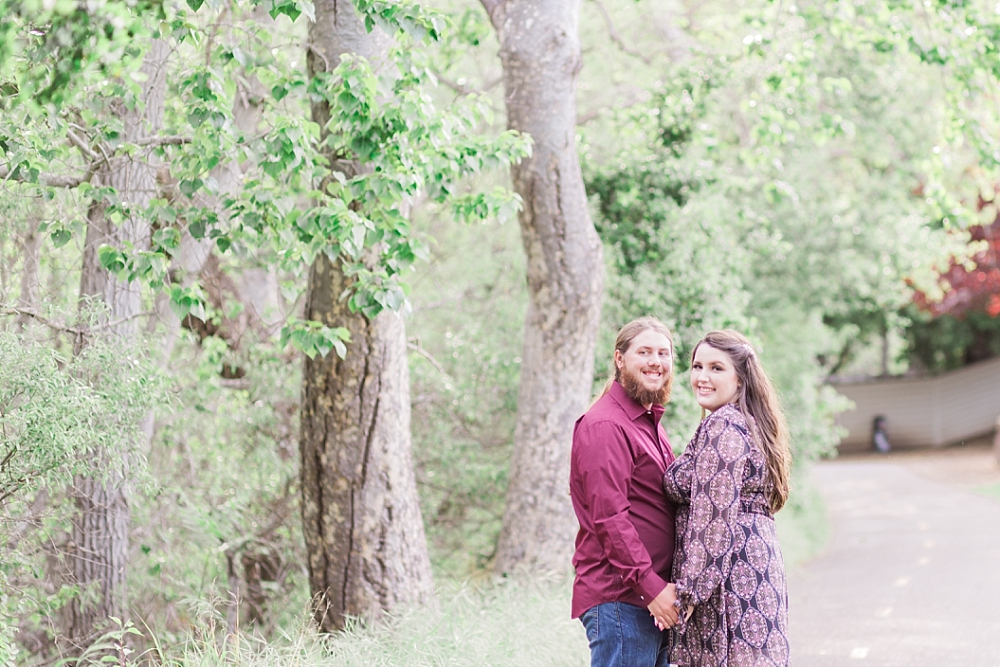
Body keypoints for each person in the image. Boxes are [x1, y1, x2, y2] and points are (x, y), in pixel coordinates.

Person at [662, 330, 792, 667]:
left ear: (740, 379)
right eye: (697, 366)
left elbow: (713, 521)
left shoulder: (722, 426)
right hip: (757, 573)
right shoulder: (749, 424)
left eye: (716, 368)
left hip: (730, 586)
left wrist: (688, 594)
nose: (702, 377)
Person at [570, 317, 682, 667]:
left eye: (663, 353)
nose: (656, 361)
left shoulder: (647, 423)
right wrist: (652, 588)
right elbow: (609, 518)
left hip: (649, 599)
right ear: (620, 359)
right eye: (644, 351)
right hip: (623, 599)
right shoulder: (606, 425)